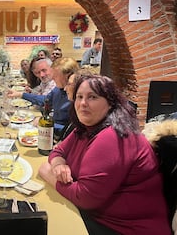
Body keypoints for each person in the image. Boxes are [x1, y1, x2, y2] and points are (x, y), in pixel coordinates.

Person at [38, 74, 171, 235]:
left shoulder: (113, 136)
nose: (82, 103)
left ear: (110, 103)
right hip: (99, 216)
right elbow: (58, 151)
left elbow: (84, 198)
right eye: (79, 97)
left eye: (92, 97)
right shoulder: (86, 127)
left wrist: (49, 173)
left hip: (122, 228)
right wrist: (59, 165)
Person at [7, 57, 80, 135]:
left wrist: (45, 123)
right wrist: (21, 94)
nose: (53, 77)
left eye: (56, 75)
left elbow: (71, 131)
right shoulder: (58, 89)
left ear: (68, 76)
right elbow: (45, 100)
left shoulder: (76, 97)